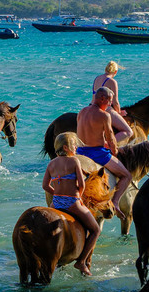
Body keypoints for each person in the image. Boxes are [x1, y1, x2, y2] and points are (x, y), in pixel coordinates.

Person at [42, 132, 101, 275]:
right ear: (66, 148)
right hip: (71, 203)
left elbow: (45, 185)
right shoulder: (74, 161)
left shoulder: (51, 163)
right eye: (74, 146)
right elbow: (82, 184)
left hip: (56, 203)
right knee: (95, 230)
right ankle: (81, 262)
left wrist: (56, 193)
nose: (76, 148)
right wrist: (78, 196)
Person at [76, 86, 133, 224]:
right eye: (109, 101)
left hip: (80, 151)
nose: (110, 104)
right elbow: (111, 139)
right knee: (127, 175)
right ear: (102, 98)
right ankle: (115, 203)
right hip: (97, 153)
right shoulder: (104, 115)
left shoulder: (82, 111)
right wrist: (115, 151)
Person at [89, 60, 135, 145]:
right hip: (105, 109)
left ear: (106, 69)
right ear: (115, 71)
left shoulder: (97, 78)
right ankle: (107, 144)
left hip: (91, 106)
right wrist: (119, 113)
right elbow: (115, 102)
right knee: (129, 132)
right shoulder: (112, 81)